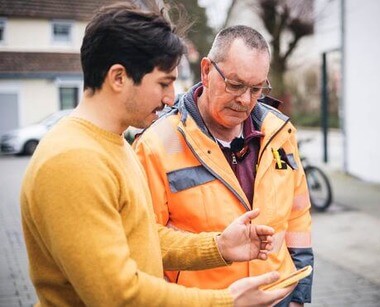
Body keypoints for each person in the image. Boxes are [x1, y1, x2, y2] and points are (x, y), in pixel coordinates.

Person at [20, 3, 296, 306]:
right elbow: (116, 295)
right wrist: (227, 302)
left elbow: (142, 237)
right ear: (119, 78)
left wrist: (218, 246)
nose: (169, 98)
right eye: (164, 83)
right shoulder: (72, 160)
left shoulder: (114, 145)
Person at [133, 25, 314, 306]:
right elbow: (144, 240)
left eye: (256, 88)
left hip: (277, 296)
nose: (245, 100)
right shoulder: (156, 144)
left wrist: (299, 294)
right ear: (206, 71)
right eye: (235, 84)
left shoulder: (280, 133)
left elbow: (298, 215)